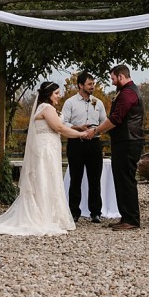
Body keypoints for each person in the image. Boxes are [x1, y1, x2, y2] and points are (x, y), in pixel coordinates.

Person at [0, 82, 88, 236]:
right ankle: (41, 215)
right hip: (45, 149)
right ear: (48, 94)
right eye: (56, 93)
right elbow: (59, 128)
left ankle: (50, 214)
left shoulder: (47, 108)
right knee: (43, 179)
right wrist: (82, 135)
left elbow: (59, 127)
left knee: (50, 179)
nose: (59, 95)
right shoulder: (46, 108)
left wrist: (77, 129)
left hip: (50, 147)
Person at [88, 65, 145, 231]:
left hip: (129, 141)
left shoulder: (128, 94)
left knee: (126, 180)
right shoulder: (127, 91)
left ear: (121, 76)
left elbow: (115, 119)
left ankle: (132, 219)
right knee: (120, 180)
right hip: (124, 141)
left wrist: (96, 131)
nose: (112, 82)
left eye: (113, 78)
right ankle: (126, 216)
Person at [61, 71, 108, 223]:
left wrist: (96, 130)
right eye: (89, 84)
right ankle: (74, 212)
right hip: (76, 143)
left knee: (95, 179)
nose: (92, 87)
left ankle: (96, 212)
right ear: (81, 85)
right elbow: (63, 123)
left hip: (94, 143)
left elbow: (105, 122)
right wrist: (78, 128)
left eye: (93, 84)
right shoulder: (70, 103)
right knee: (76, 178)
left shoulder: (98, 103)